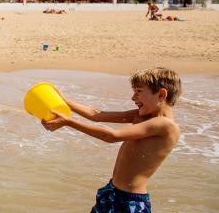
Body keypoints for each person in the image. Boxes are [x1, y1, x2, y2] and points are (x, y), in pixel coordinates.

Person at [41, 67, 181, 212]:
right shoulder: (141, 116)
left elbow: (112, 136)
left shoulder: (166, 125)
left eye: (138, 92)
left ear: (161, 94)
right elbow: (96, 115)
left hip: (130, 202)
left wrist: (68, 122)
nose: (133, 98)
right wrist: (66, 102)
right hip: (112, 191)